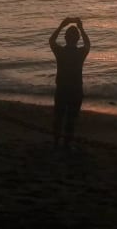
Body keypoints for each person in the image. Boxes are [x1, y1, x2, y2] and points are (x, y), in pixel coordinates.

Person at [48, 16, 91, 150]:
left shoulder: (61, 52)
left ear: (66, 38)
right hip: (76, 89)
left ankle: (56, 142)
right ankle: (66, 143)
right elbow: (88, 44)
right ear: (77, 39)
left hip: (62, 88)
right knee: (71, 118)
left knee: (59, 116)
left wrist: (61, 25)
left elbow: (51, 40)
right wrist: (81, 28)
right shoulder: (80, 53)